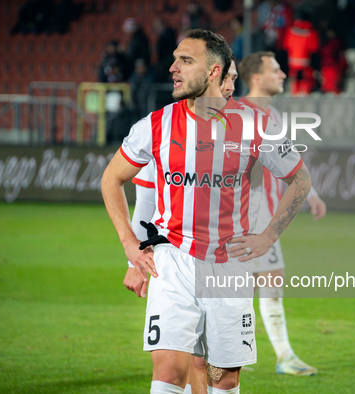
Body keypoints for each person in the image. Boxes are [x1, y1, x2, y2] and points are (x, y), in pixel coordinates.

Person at [102, 29, 311, 393]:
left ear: (214, 71)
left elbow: (300, 180)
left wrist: (268, 237)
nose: (172, 68)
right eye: (174, 59)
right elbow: (111, 179)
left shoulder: (256, 124)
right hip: (173, 260)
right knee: (169, 372)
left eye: (186, 61)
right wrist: (128, 243)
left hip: (229, 266)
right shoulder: (156, 124)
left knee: (224, 378)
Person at [238, 51, 326, 375]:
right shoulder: (238, 114)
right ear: (257, 78)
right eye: (276, 70)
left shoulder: (271, 115)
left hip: (266, 219)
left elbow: (290, 164)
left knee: (264, 283)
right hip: (242, 218)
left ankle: (252, 352)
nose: (284, 75)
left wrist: (311, 194)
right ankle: (270, 354)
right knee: (241, 285)